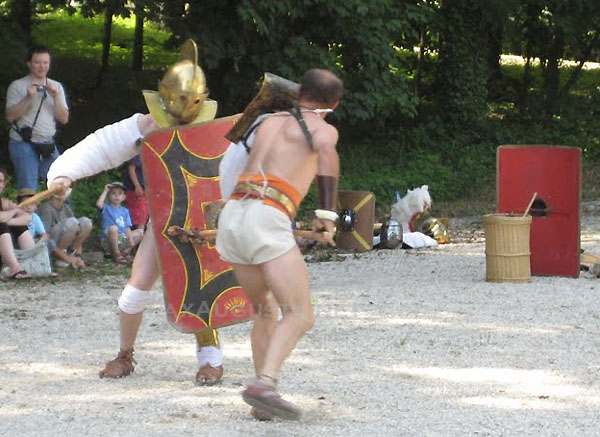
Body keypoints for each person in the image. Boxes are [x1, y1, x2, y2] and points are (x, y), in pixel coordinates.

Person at [46, 40, 225, 385]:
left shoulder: (215, 132)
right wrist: (63, 174)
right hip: (162, 224)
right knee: (134, 292)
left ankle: (211, 360)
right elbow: (99, 147)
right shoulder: (146, 126)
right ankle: (125, 356)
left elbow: (231, 174)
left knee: (202, 290)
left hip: (201, 224)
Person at [216, 68, 343, 420]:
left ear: (299, 91)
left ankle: (261, 403)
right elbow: (326, 155)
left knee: (263, 309)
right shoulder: (323, 128)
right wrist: (327, 215)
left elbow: (233, 161)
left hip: (235, 214)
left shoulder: (266, 122)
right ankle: (264, 384)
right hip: (267, 216)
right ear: (334, 104)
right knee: (300, 314)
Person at [5, 44, 69, 191]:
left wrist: (56, 97)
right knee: (28, 190)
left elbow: (64, 119)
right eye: (37, 62)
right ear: (29, 64)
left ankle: (58, 214)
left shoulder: (56, 87)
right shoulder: (17, 86)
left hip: (47, 144)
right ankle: (28, 214)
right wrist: (28, 97)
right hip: (23, 143)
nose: (42, 66)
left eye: (45, 62)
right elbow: (10, 116)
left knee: (61, 186)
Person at [17, 188, 81, 271]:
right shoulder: (15, 216)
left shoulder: (35, 217)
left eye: (31, 203)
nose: (28, 206)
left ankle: (50, 267)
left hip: (32, 242)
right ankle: (69, 260)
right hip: (19, 245)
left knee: (48, 242)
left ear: (36, 206)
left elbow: (43, 233)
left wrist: (42, 238)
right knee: (48, 243)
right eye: (25, 204)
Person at [37, 188, 90, 270]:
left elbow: (78, 226)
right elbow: (44, 233)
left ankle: (72, 253)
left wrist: (78, 250)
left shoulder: (66, 207)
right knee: (72, 223)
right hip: (52, 242)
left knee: (86, 222)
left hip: (67, 240)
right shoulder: (46, 208)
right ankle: (60, 258)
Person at [95, 181, 143, 264]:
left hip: (122, 238)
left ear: (124, 197)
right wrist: (105, 191)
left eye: (120, 193)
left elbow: (127, 226)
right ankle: (116, 254)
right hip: (109, 240)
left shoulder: (125, 211)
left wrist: (130, 240)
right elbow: (99, 204)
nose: (116, 196)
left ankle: (125, 253)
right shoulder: (106, 208)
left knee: (140, 232)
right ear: (109, 196)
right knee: (113, 228)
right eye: (113, 193)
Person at [0, 169, 34, 279]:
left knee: (20, 227)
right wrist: (13, 212)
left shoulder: (4, 202)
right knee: (2, 226)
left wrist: (8, 220)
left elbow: (27, 218)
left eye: (0, 181)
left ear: (4, 185)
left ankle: (32, 265)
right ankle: (14, 268)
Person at [123, 155, 149, 230]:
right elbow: (131, 169)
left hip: (144, 189)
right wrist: (137, 186)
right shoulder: (138, 153)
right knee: (140, 215)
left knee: (144, 215)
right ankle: (137, 236)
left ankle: (139, 236)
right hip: (135, 190)